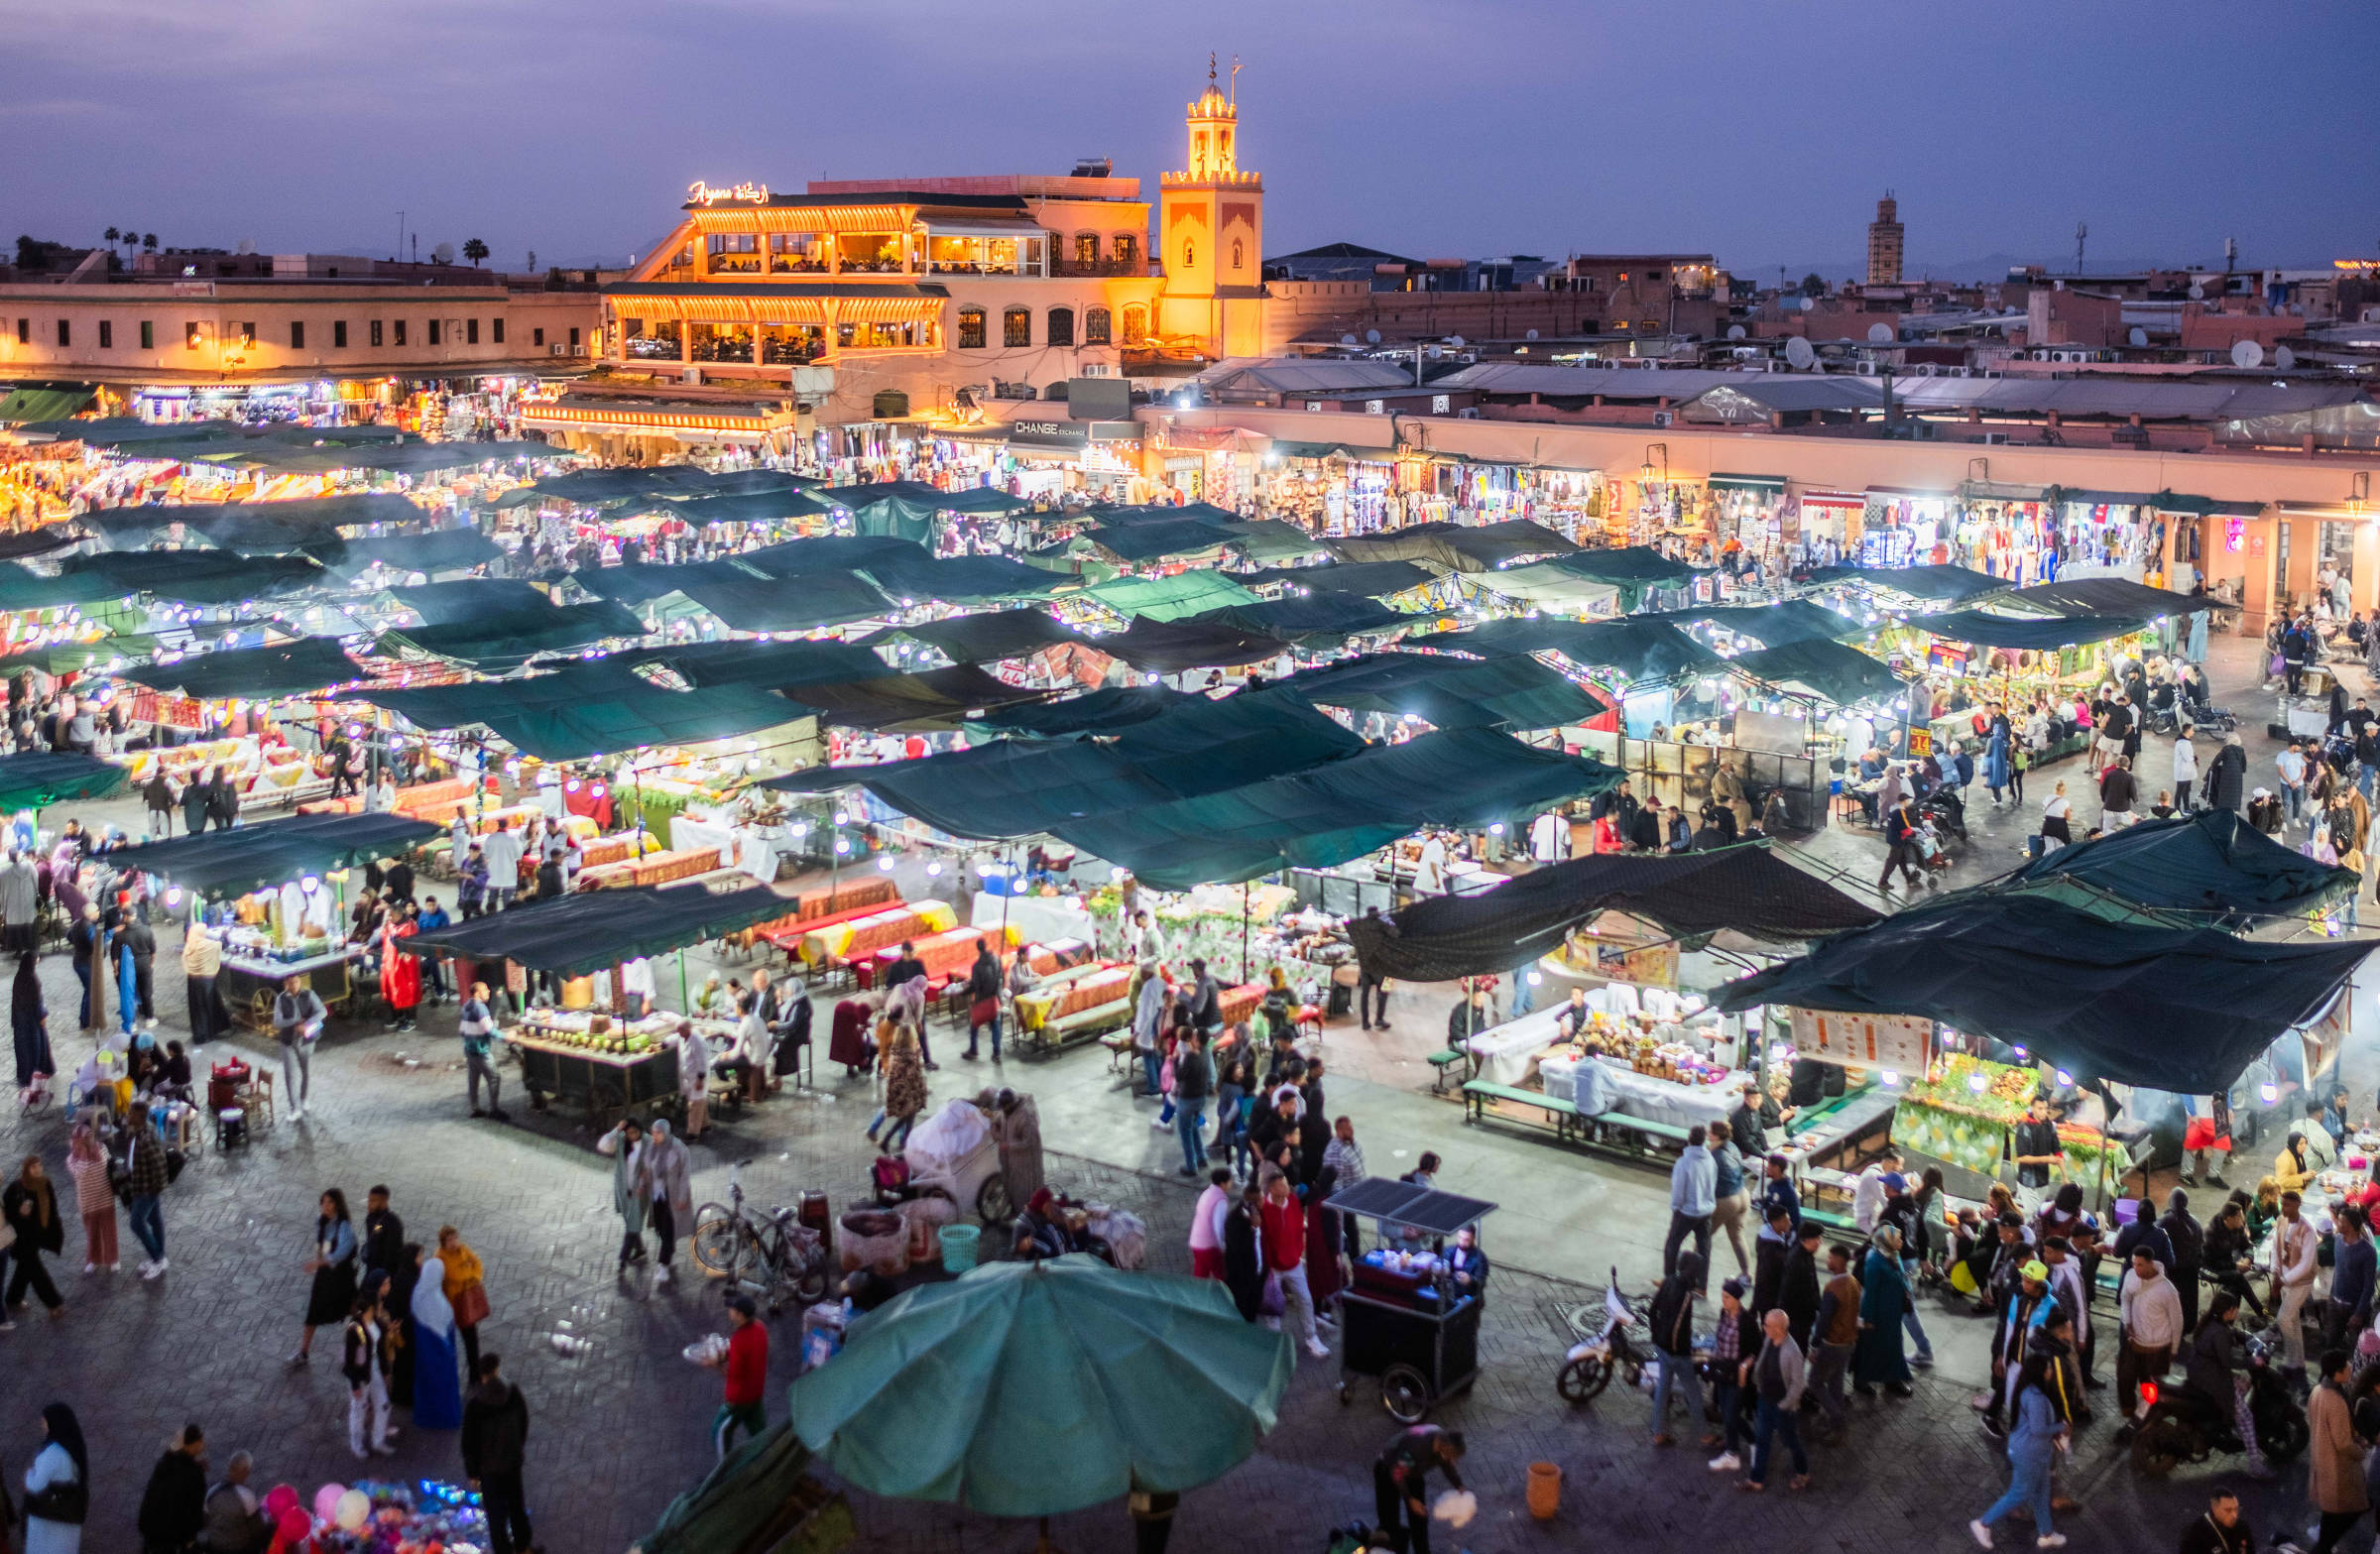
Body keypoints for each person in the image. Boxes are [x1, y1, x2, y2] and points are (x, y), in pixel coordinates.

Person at [1966, 1352, 2068, 1549]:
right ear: (2040, 1372)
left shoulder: (2027, 1391)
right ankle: (1982, 1523)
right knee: (2019, 1493)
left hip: (2030, 1451)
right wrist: (2061, 1428)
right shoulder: (2036, 1397)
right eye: (2047, 1368)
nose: (2050, 1371)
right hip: (2030, 1453)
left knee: (2041, 1492)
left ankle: (2046, 1533)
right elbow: (2039, 1430)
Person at [461, 1354, 534, 1554]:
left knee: (496, 1515)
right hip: (512, 1463)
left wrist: (473, 1473)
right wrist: (517, 1447)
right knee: (517, 1506)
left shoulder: (475, 1405)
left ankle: (503, 1550)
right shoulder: (512, 1393)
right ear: (496, 1370)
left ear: (482, 1375)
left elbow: (469, 1443)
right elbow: (523, 1422)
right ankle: (523, 1547)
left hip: (489, 1470)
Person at [1740, 1306, 1810, 1492]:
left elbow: (1798, 1384)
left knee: (1790, 1441)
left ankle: (1803, 1472)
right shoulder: (1769, 1340)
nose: (1763, 1327)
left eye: (1767, 1325)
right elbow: (1763, 1363)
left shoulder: (1793, 1351)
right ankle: (1756, 1480)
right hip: (1765, 1400)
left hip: (1782, 1407)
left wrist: (1784, 1405)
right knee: (1762, 1440)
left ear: (1778, 1329)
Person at [2308, 1348, 2369, 1553]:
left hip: (2323, 1462)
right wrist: (2362, 1452)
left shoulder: (2318, 1391)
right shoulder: (2334, 1400)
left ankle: (2323, 1545)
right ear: (2338, 1371)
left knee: (2331, 1512)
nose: (2351, 1366)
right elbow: (2343, 1443)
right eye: (2347, 1364)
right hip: (2337, 1468)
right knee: (2356, 1507)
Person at [290, 1188, 357, 1368]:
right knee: (314, 1312)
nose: (325, 1206)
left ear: (337, 1204)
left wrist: (319, 1263)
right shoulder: (321, 1222)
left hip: (341, 1277)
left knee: (352, 1309)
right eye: (323, 1202)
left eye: (330, 1202)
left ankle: (361, 1347)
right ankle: (303, 1351)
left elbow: (342, 1252)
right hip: (324, 1276)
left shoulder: (344, 1226)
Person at [1372, 1425, 1464, 1554]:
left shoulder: (1443, 1442)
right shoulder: (1418, 1448)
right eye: (1452, 1456)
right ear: (1444, 1446)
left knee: (1419, 1517)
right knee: (1389, 1521)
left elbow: (1446, 1464)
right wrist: (1410, 1499)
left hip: (1412, 1473)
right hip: (1388, 1470)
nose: (1452, 1460)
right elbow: (1397, 1474)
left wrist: (1458, 1485)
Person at [1647, 1249, 1707, 1446]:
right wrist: (1682, 1349)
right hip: (1676, 1353)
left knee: (1663, 1388)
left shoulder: (1669, 1281)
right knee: (1694, 1392)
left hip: (1662, 1346)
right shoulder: (1686, 1295)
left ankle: (1658, 1432)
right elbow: (1680, 1326)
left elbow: (1652, 1310)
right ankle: (1705, 1434)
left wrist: (1657, 1336)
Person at [2117, 1247, 2184, 1417]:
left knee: (2151, 1386)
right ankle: (2129, 1411)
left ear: (2150, 1264)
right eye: (2134, 1264)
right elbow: (2125, 1298)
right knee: (2125, 1379)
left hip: (2158, 1348)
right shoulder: (2131, 1275)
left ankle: (2149, 1416)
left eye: (2140, 1265)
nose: (2136, 1268)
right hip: (2134, 1342)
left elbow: (2177, 1321)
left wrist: (2174, 1348)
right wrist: (2127, 1321)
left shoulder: (2168, 1290)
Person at [1853, 1224, 1914, 1397]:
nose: (1901, 1241)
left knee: (1893, 1345)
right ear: (1887, 1241)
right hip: (1879, 1315)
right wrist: (1867, 1319)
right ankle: (1862, 1380)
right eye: (1898, 1238)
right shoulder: (1874, 1262)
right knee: (1870, 1346)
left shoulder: (1892, 1255)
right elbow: (1870, 1293)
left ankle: (1892, 1379)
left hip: (1891, 1314)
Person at [707, 1295, 769, 1460]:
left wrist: (715, 1364)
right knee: (758, 1431)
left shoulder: (740, 1340)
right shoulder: (760, 1328)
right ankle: (764, 1461)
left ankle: (724, 1471)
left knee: (719, 1431)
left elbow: (733, 1375)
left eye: (732, 1310)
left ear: (740, 1315)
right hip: (756, 1392)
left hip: (739, 1398)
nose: (729, 1311)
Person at [2, 1154, 63, 1318]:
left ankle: (13, 1298)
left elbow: (52, 1208)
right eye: (33, 1167)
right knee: (36, 1272)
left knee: (25, 1268)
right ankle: (53, 1303)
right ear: (27, 1169)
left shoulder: (45, 1183)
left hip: (36, 1235)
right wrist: (19, 1212)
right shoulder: (17, 1188)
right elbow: (6, 1213)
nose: (37, 1169)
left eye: (39, 1165)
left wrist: (54, 1230)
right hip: (21, 1238)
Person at [25, 1402, 88, 1554]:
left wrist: (29, 1474)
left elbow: (36, 1485)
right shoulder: (73, 1446)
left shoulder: (52, 1453)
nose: (43, 1425)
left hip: (50, 1519)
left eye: (45, 1421)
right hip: (68, 1517)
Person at [412, 1248, 464, 1430]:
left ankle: (426, 1416)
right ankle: (446, 1418)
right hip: (440, 1350)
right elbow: (442, 1330)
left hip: (424, 1350)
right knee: (444, 1385)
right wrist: (450, 1352)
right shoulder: (436, 1300)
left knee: (427, 1384)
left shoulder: (418, 1293)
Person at [343, 1287, 398, 1461]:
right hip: (360, 1374)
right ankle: (356, 1445)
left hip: (373, 1368)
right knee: (358, 1409)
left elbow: (381, 1348)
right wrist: (354, 1385)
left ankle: (378, 1441)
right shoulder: (354, 1329)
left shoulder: (375, 1322)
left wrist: (385, 1370)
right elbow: (349, 1360)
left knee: (383, 1404)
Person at [137, 1423, 207, 1554]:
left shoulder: (164, 1464)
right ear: (193, 1444)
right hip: (171, 1537)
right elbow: (193, 1511)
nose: (203, 1442)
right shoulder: (194, 1474)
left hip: (150, 1529)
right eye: (200, 1439)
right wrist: (190, 1539)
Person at [640, 1118, 693, 1287]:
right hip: (657, 1196)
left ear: (666, 1133)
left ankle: (663, 1264)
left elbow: (684, 1175)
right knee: (660, 1229)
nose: (654, 1136)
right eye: (653, 1132)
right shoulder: (651, 1148)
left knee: (669, 1229)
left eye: (658, 1133)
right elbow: (646, 1169)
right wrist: (641, 1185)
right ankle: (668, 1256)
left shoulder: (678, 1149)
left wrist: (683, 1198)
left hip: (674, 1196)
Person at [2273, 1188, 2320, 1375]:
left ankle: (2293, 1359)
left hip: (2300, 1283)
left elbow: (2306, 1264)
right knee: (2291, 1320)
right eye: (2282, 1203)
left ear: (2298, 1206)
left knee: (2283, 1318)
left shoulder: (2307, 1230)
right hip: (2284, 1279)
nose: (2283, 1208)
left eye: (2287, 1205)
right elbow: (2275, 1246)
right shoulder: (2280, 1221)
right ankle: (2295, 1362)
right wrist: (2276, 1272)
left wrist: (2283, 1280)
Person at [1664, 1124, 1717, 1289]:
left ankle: (1670, 1282)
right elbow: (1712, 1184)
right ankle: (1702, 1286)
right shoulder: (1710, 1159)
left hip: (1686, 1212)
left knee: (1672, 1245)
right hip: (1706, 1211)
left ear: (1689, 1140)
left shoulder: (1684, 1162)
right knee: (1704, 1248)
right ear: (1704, 1140)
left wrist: (1676, 1208)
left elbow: (1678, 1191)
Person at [596, 1118, 651, 1273]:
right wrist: (616, 1130)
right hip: (623, 1189)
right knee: (631, 1223)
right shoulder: (620, 1140)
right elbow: (603, 1146)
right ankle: (639, 1249)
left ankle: (622, 1259)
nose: (632, 1135)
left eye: (635, 1132)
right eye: (629, 1133)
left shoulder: (648, 1142)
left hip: (640, 1192)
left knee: (632, 1226)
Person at [437, 1226, 489, 1379]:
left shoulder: (463, 1249)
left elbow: (477, 1262)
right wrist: (469, 1274)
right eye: (449, 1240)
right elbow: (455, 1275)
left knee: (471, 1338)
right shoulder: (440, 1257)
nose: (453, 1242)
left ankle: (475, 1373)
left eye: (455, 1238)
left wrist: (475, 1276)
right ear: (443, 1242)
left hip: (466, 1299)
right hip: (452, 1303)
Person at [62, 1124, 114, 1275]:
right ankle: (94, 1260)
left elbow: (108, 1163)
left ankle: (112, 1259)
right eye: (86, 1137)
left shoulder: (101, 1148)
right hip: (87, 1200)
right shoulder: (72, 1158)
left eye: (91, 1136)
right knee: (92, 1232)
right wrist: (85, 1155)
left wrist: (95, 1152)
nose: (89, 1140)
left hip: (105, 1196)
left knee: (109, 1229)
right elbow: (80, 1173)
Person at [271, 977, 324, 1122]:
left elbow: (321, 1012)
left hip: (307, 1041)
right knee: (290, 1075)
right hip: (288, 1042)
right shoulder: (280, 999)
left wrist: (306, 1024)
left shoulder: (309, 994)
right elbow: (277, 1021)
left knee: (306, 1071)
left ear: (300, 982)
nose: (293, 985)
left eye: (296, 982)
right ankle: (294, 1108)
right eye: (290, 982)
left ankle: (304, 1098)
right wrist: (295, 1022)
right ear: (285, 984)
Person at [199, 1449, 269, 1554]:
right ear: (246, 1471)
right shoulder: (246, 1495)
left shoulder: (212, 1491)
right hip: (239, 1547)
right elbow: (257, 1527)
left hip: (215, 1545)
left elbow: (205, 1519)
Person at [124, 1113, 168, 1278]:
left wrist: (157, 1187)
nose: (126, 1120)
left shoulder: (146, 1139)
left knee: (136, 1223)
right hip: (142, 1185)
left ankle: (157, 1258)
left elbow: (158, 1164)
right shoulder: (140, 1135)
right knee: (155, 1220)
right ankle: (160, 1257)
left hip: (146, 1188)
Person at [877, 1022, 927, 1153]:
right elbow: (913, 1075)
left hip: (899, 1091)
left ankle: (902, 1142)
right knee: (908, 1116)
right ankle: (896, 1141)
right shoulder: (909, 1056)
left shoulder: (896, 1051)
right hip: (908, 1092)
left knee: (908, 1117)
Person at [2012, 1096, 2064, 1212]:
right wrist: (2046, 1159)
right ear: (2032, 1109)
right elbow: (2022, 1158)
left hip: (2043, 1181)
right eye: (2040, 1108)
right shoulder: (2023, 1128)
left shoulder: (2049, 1126)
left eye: (2045, 1108)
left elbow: (2057, 1151)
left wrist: (2065, 1176)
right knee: (2033, 1214)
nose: (2044, 1112)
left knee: (2036, 1214)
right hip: (2027, 1181)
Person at [1172, 1027, 1212, 1178]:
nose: (1191, 1039)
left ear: (1198, 1040)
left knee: (1185, 1133)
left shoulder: (1190, 1057)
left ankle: (1191, 1165)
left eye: (1194, 1037)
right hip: (1200, 1098)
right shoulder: (1206, 1053)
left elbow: (1179, 1076)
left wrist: (1175, 1060)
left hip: (1187, 1099)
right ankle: (1201, 1157)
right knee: (1194, 1127)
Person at [962, 938, 1002, 1061]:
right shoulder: (996, 960)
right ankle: (996, 1052)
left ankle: (973, 1049)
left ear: (978, 949)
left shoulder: (977, 966)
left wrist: (963, 992)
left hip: (982, 1000)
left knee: (974, 1025)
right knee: (995, 1025)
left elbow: (975, 985)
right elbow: (1001, 977)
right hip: (995, 998)